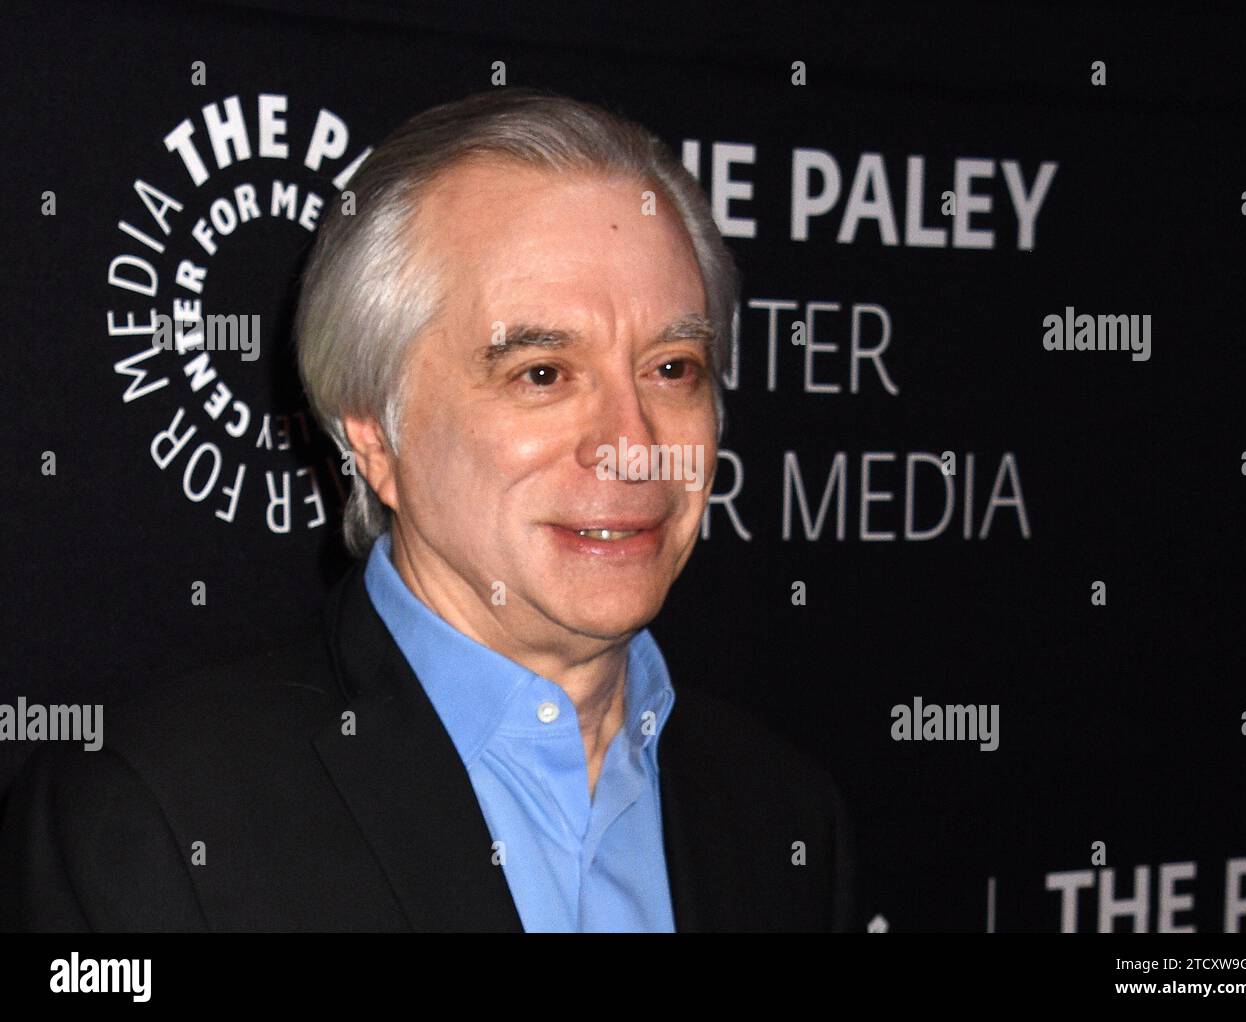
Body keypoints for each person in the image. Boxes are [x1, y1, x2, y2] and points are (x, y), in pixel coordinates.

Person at [0, 88, 863, 932]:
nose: (633, 445)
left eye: (673, 368)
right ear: (374, 434)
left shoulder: (782, 816)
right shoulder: (150, 822)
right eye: (542, 374)